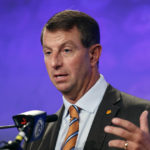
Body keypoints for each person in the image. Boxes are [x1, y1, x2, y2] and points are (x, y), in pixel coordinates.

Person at [24, 10, 150, 150]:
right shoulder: (38, 134)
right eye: (48, 52)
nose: (54, 63)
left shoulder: (142, 115)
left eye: (66, 50)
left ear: (93, 55)